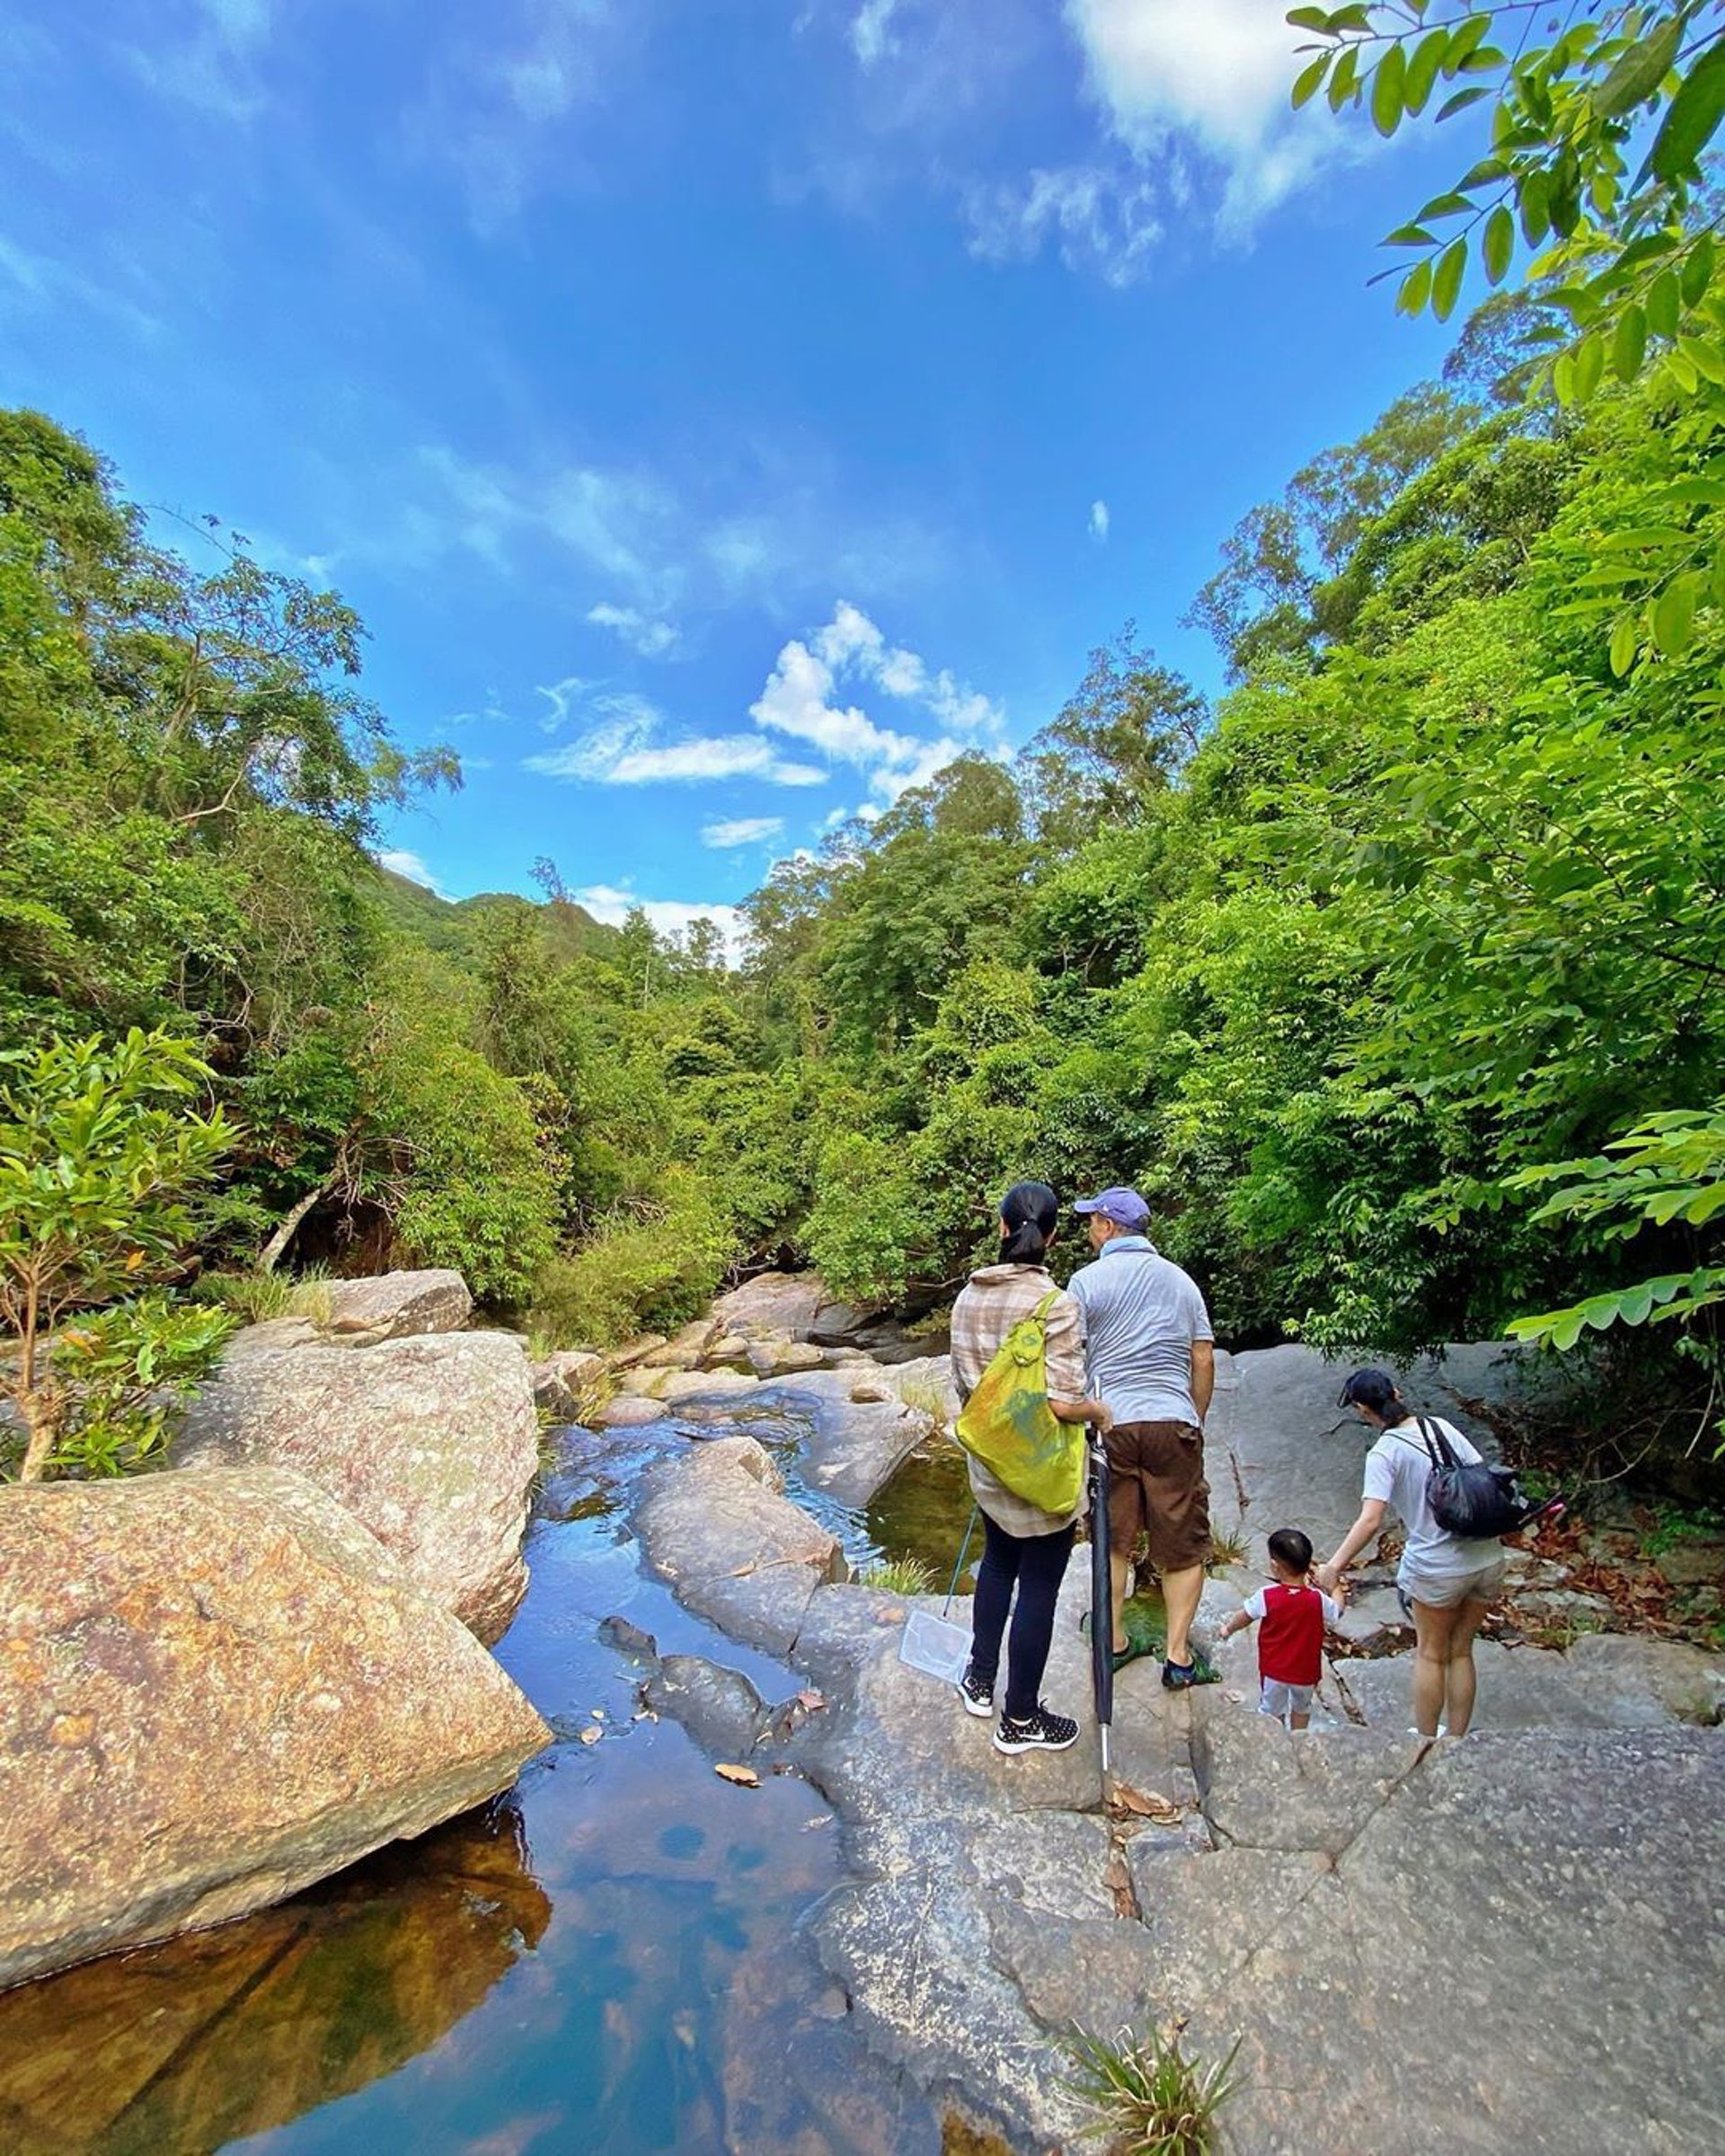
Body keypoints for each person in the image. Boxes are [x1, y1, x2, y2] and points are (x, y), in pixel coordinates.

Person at [950, 1180, 1112, 1756]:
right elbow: (1064, 1403)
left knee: (996, 1564)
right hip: (1042, 1472)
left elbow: (965, 1386)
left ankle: (978, 1679)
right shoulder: (1056, 1305)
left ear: (1000, 1228)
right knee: (1039, 1586)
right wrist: (1101, 1411)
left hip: (992, 1466)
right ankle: (1019, 1718)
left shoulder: (967, 1297)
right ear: (1052, 1237)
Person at [1067, 1187, 1215, 1690]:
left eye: (1092, 1222)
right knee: (1183, 1546)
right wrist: (1191, 1417)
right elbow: (1202, 1358)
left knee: (1113, 1538)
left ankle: (1112, 1643)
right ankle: (1177, 1656)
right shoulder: (1182, 1281)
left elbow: (1069, 1354)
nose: (1089, 1230)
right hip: (1173, 1419)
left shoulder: (1085, 1282)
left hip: (1113, 1424)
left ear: (1109, 1227)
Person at [1317, 1367, 1507, 1739]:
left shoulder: (1384, 1453)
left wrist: (1334, 1567)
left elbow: (1371, 1520)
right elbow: (1482, 1476)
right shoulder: (1441, 1428)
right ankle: (1456, 1738)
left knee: (1431, 1654)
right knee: (1462, 1652)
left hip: (1438, 1567)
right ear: (1397, 1393)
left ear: (1362, 1409)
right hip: (1486, 1556)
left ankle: (1425, 1742)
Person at [1216, 1527, 1341, 1731]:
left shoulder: (1267, 1596)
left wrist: (1227, 1629)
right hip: (1306, 1672)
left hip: (1275, 1670)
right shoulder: (1317, 1599)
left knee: (1272, 1710)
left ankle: (1277, 1741)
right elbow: (1337, 1612)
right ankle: (1299, 1738)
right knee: (1302, 1707)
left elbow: (1244, 1617)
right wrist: (1335, 1588)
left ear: (1274, 1566)